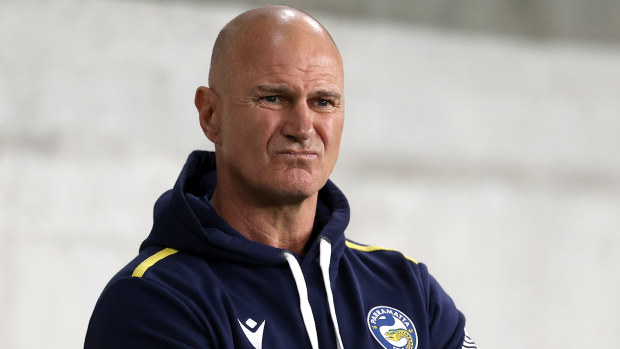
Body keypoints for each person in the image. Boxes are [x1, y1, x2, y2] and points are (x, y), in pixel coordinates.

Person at [85, 5, 476, 349]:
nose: (303, 126)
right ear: (211, 116)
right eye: (273, 98)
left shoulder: (408, 289)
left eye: (323, 102)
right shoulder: (153, 300)